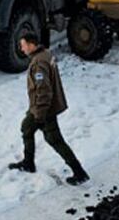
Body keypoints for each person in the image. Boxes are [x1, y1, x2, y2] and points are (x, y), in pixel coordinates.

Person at [8, 33, 90, 186]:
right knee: (26, 128)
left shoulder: (39, 63)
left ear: (31, 45)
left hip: (44, 109)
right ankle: (28, 162)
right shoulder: (45, 54)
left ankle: (79, 172)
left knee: (55, 140)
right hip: (39, 107)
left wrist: (40, 114)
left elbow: (44, 91)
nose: (21, 48)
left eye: (23, 44)